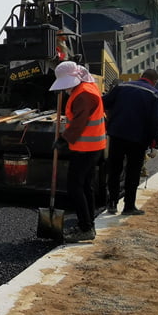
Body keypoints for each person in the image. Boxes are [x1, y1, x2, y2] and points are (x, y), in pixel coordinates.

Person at [49, 61, 107, 243]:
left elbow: (80, 122)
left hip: (86, 149)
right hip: (90, 147)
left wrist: (63, 139)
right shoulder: (86, 87)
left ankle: (85, 227)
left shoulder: (84, 95)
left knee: (75, 186)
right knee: (86, 186)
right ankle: (88, 223)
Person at [102, 68, 158, 215]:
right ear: (154, 81)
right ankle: (128, 206)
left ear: (142, 76)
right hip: (138, 139)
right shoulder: (154, 94)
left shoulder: (122, 87)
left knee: (114, 170)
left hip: (117, 135)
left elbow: (104, 102)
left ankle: (112, 203)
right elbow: (157, 121)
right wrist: (155, 144)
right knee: (133, 172)